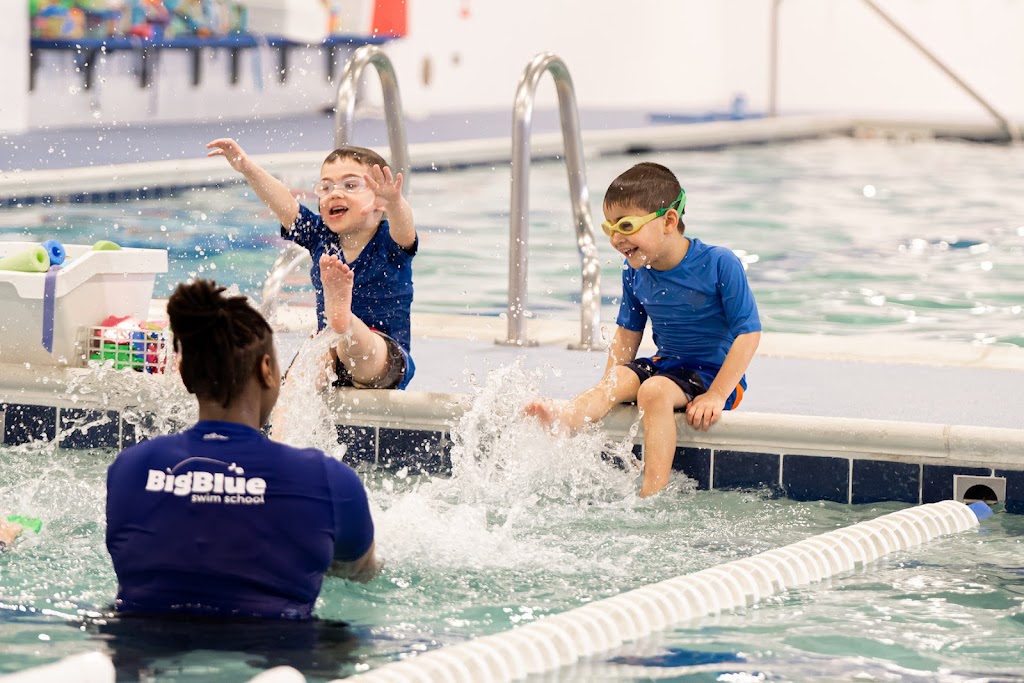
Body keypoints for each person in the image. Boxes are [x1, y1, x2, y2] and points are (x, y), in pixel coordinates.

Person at [105, 279, 379, 620]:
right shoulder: (327, 479)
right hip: (278, 655)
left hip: (138, 646)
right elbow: (360, 573)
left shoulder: (130, 469)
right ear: (267, 371)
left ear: (187, 378)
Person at [525, 162, 761, 498]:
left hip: (712, 374)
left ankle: (652, 492)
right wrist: (610, 391)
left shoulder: (719, 263)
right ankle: (566, 417)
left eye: (626, 225)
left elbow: (748, 333)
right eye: (610, 229)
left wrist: (717, 395)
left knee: (653, 392)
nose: (617, 239)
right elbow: (627, 332)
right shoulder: (635, 270)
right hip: (667, 365)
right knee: (620, 379)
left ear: (668, 221)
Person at [206, 137, 417, 390]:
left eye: (350, 184)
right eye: (325, 187)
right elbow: (283, 203)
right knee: (304, 369)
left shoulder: (390, 243)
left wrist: (394, 203)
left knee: (360, 345)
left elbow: (405, 229)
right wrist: (247, 168)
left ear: (378, 203)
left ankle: (344, 319)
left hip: (382, 354)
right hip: (329, 347)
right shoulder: (320, 237)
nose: (335, 193)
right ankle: (282, 431)